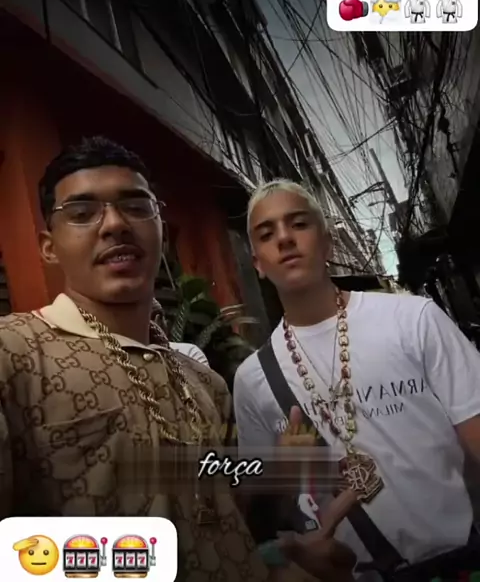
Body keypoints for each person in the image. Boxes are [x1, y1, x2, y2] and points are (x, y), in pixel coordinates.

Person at [0, 138, 356, 582]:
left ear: (161, 230)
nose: (115, 224)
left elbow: (223, 510)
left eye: (136, 206)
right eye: (82, 212)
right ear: (49, 246)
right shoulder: (14, 353)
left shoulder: (204, 382)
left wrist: (279, 546)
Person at [234, 179, 480, 580]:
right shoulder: (252, 379)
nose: (284, 238)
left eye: (298, 224)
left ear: (327, 243)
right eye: (266, 233)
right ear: (257, 263)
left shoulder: (412, 319)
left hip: (461, 563)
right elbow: (257, 512)